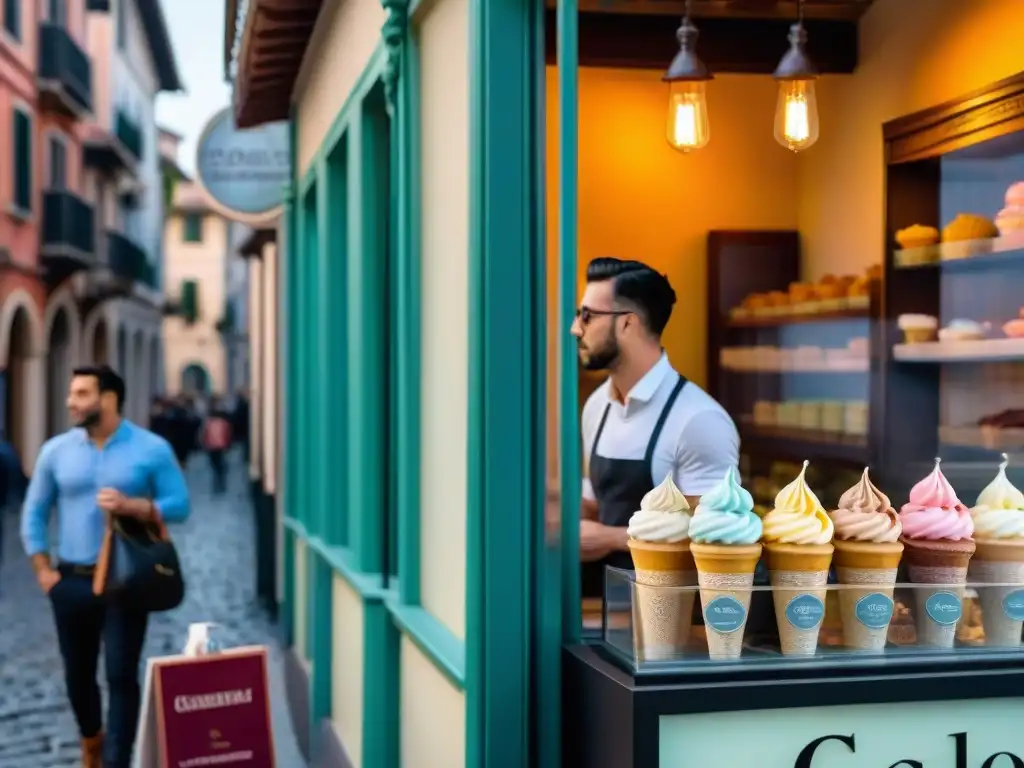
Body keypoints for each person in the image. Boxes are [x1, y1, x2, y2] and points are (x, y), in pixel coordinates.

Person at [20, 365, 190, 768]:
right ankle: (90, 742)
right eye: (72, 393)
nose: (70, 402)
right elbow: (34, 513)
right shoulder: (55, 451)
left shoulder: (151, 449)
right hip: (71, 580)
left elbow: (180, 504)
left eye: (81, 394)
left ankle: (116, 761)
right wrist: (44, 571)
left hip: (126, 581)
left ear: (108, 398)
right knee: (78, 677)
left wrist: (139, 507)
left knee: (120, 674)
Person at [571, 257, 739, 598]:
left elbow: (713, 537)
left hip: (667, 616)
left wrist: (611, 537)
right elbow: (601, 496)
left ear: (628, 324)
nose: (576, 328)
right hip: (595, 609)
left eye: (586, 315)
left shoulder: (699, 420)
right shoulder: (597, 405)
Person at [202, 398, 233, 494]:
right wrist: (228, 445)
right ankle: (221, 483)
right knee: (220, 465)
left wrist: (204, 444)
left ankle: (217, 484)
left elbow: (204, 434)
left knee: (215, 466)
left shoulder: (209, 422)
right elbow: (228, 434)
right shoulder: (224, 423)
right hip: (221, 446)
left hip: (211, 446)